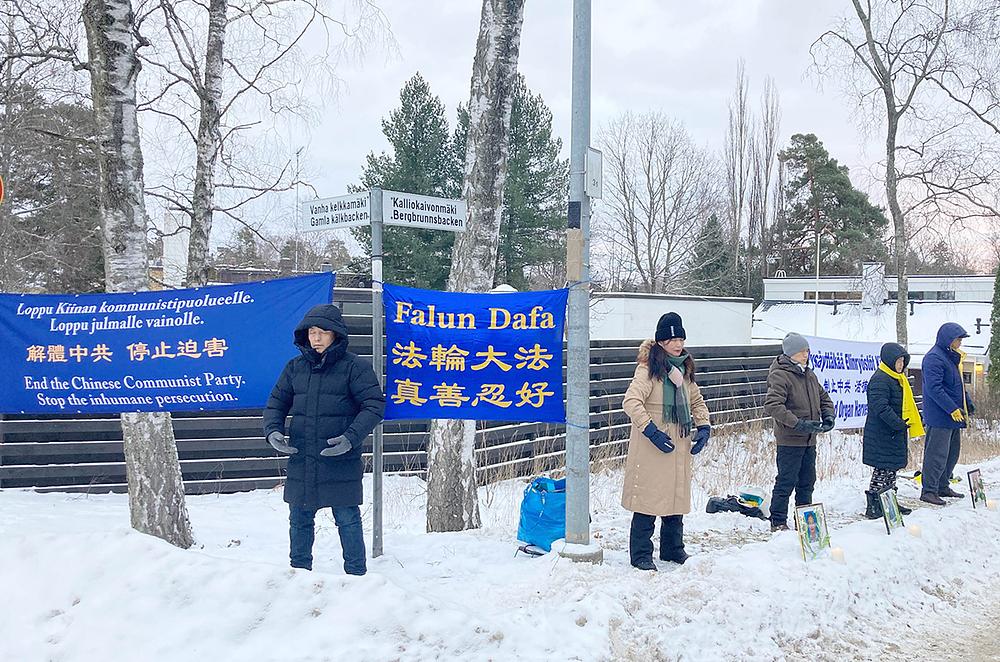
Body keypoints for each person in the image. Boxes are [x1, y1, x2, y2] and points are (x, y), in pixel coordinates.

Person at [263, 304, 385, 575]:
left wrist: (350, 438)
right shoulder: (294, 368)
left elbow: (374, 405)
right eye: (312, 332)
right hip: (302, 456)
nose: (316, 338)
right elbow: (276, 403)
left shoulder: (355, 367)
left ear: (336, 335)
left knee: (347, 519)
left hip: (339, 458)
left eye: (322, 333)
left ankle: (356, 577)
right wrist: (273, 431)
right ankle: (298, 574)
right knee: (299, 519)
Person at [621, 312, 711, 571]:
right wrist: (651, 431)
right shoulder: (649, 369)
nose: (677, 343)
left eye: (680, 338)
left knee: (674, 497)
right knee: (648, 499)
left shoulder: (684, 369)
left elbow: (696, 400)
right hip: (653, 446)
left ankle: (672, 549)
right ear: (660, 342)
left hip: (678, 444)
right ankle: (641, 554)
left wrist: (703, 426)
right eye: (671, 339)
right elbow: (631, 401)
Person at [763, 333, 836, 532]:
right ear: (792, 353)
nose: (806, 355)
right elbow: (773, 405)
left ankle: (805, 520)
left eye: (807, 351)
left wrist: (828, 415)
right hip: (790, 439)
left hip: (809, 439)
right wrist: (797, 424)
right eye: (803, 351)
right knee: (786, 481)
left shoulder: (809, 374)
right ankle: (778, 521)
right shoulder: (780, 374)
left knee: (807, 482)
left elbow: (824, 398)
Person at [862, 343, 924, 519]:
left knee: (891, 471)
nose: (901, 364)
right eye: (898, 361)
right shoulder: (880, 379)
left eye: (903, 361)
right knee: (882, 471)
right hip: (882, 434)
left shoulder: (898, 379)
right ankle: (874, 505)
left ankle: (889, 502)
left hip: (894, 433)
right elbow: (881, 407)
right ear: (889, 361)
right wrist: (898, 423)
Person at [920, 322, 975, 505]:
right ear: (948, 340)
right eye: (958, 339)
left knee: (951, 453)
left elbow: (957, 385)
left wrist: (967, 403)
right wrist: (951, 408)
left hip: (954, 415)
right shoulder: (934, 358)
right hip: (941, 415)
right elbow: (935, 388)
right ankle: (929, 490)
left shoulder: (950, 357)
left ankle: (942, 485)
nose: (960, 342)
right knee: (936, 454)